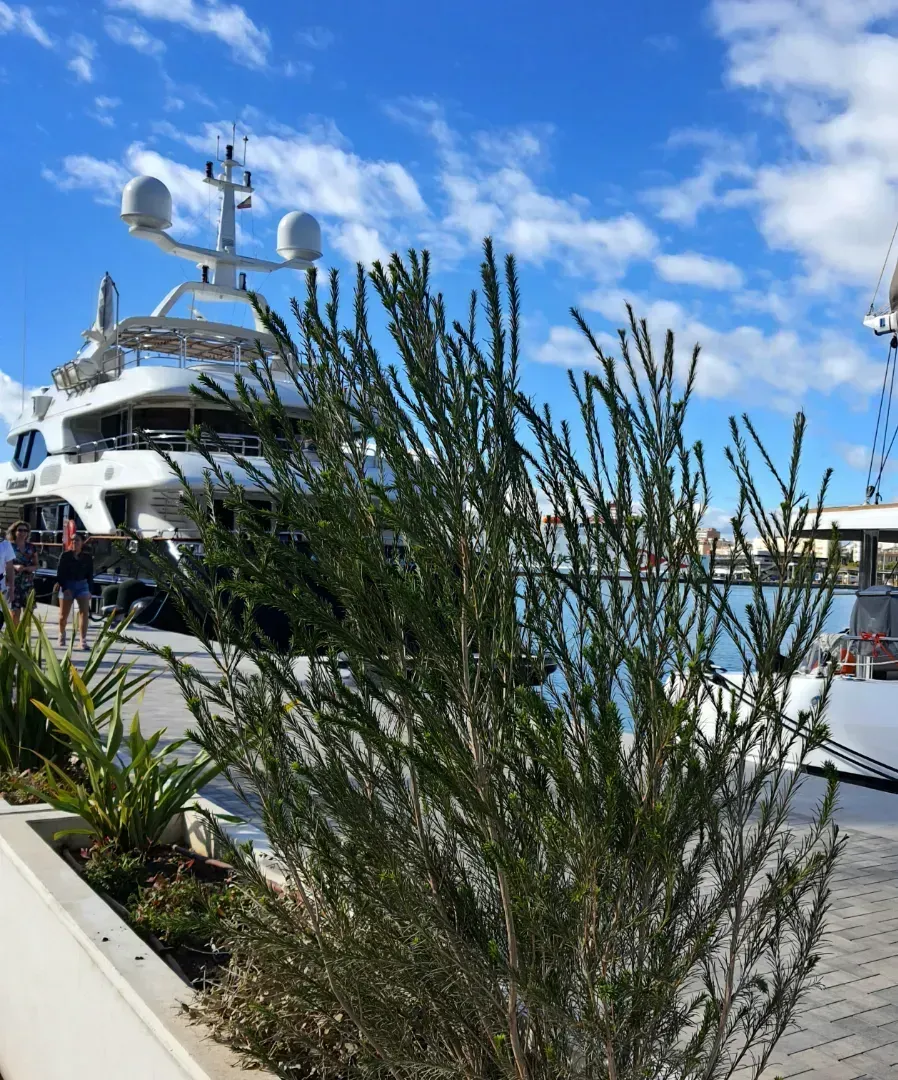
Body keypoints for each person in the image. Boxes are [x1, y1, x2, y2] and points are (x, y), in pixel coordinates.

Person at [56, 531, 93, 648]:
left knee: (84, 612)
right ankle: (61, 633)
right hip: (67, 585)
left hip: (82, 585)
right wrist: (64, 587)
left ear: (82, 542)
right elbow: (60, 573)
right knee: (63, 615)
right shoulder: (65, 556)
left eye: (77, 540)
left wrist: (90, 590)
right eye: (72, 540)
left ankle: (83, 640)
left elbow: (90, 575)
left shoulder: (87, 557)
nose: (74, 542)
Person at [8, 521, 37, 627]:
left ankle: (25, 638)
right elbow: (2, 564)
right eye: (20, 530)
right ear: (14, 532)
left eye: (25, 530)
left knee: (28, 613)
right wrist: (15, 566)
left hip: (28, 583)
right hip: (13, 583)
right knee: (15, 612)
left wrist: (29, 568)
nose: (23, 533)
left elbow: (36, 565)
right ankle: (15, 638)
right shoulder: (8, 546)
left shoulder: (31, 547)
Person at [0, 531, 15, 625]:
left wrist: (11, 588)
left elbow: (9, 567)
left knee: (0, 615)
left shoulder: (5, 545)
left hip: (0, 584)